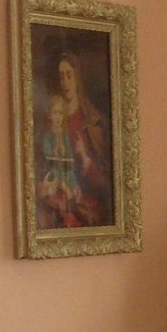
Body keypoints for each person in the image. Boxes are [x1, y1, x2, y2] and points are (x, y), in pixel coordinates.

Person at [54, 50, 109, 226]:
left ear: (76, 77)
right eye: (61, 76)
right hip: (62, 195)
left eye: (69, 75)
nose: (65, 82)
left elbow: (104, 179)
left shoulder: (92, 120)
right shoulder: (54, 116)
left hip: (87, 198)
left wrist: (85, 158)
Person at [37, 93, 83, 228]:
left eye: (60, 113)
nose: (58, 117)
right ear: (49, 115)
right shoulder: (47, 136)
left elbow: (69, 165)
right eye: (55, 113)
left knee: (76, 197)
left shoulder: (66, 138)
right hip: (52, 177)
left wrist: (74, 185)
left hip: (66, 177)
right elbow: (49, 160)